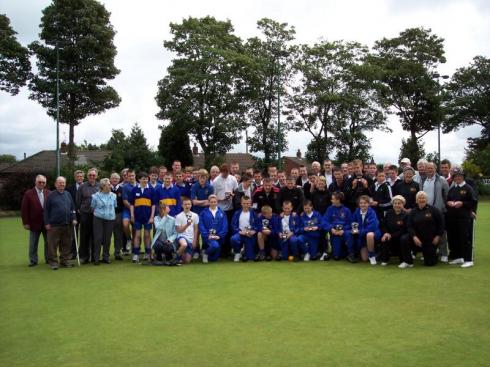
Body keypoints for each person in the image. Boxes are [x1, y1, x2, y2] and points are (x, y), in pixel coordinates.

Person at [400, 191, 445, 268]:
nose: (421, 200)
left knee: (430, 263)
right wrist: (414, 237)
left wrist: (437, 236)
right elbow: (409, 226)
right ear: (416, 200)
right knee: (404, 239)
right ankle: (408, 262)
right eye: (419, 198)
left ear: (426, 199)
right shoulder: (413, 212)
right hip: (417, 240)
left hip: (430, 240)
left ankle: (434, 253)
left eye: (423, 198)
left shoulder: (434, 210)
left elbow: (441, 224)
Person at [446, 168, 478, 268]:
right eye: (456, 176)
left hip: (464, 217)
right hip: (453, 217)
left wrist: (462, 203)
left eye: (460, 176)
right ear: (454, 178)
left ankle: (468, 259)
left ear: (463, 177)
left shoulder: (468, 188)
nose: (458, 178)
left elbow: (473, 202)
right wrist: (449, 203)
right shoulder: (452, 188)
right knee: (455, 237)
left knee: (465, 238)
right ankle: (458, 257)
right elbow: (448, 200)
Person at [44, 176, 77, 270]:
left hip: (67, 224)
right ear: (55, 184)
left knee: (66, 244)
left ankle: (64, 261)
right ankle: (53, 263)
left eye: (63, 183)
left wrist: (74, 218)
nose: (62, 184)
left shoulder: (68, 194)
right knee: (52, 244)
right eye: (60, 183)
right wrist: (47, 223)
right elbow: (46, 210)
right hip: (54, 225)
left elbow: (72, 208)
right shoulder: (50, 195)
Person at [421, 162, 449, 262]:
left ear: (435, 169)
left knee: (441, 232)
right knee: (427, 232)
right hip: (426, 210)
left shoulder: (441, 180)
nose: (430, 170)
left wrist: (443, 206)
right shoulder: (423, 180)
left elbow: (447, 195)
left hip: (438, 211)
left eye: (431, 168)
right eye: (428, 168)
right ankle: (429, 252)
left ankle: (444, 253)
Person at [21, 174, 50, 267]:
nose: (41, 183)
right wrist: (26, 222)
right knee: (33, 243)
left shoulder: (48, 192)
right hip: (34, 223)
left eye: (43, 182)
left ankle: (48, 259)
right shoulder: (28, 193)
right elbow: (24, 209)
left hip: (46, 223)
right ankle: (33, 261)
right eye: (39, 182)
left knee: (48, 243)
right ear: (35, 182)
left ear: (45, 183)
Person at [130, 172, 157, 263]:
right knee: (137, 235)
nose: (145, 180)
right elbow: (132, 205)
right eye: (143, 178)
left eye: (146, 179)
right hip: (137, 217)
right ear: (139, 180)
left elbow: (153, 205)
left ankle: (148, 253)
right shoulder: (134, 190)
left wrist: (152, 217)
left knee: (147, 235)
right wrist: (132, 215)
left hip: (147, 217)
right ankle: (136, 254)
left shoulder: (151, 190)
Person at [212, 164, 238, 256]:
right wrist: (221, 199)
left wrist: (232, 195)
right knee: (222, 230)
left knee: (230, 230)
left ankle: (229, 249)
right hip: (220, 209)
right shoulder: (215, 181)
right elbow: (213, 196)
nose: (225, 175)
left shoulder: (233, 179)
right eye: (224, 173)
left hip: (231, 208)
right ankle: (221, 250)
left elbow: (237, 192)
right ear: (221, 172)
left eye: (227, 173)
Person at [90, 178, 117, 265]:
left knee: (107, 238)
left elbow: (114, 206)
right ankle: (96, 258)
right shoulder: (95, 196)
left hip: (110, 219)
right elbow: (92, 207)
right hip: (98, 218)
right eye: (108, 185)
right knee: (98, 238)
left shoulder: (113, 195)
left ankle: (106, 257)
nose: (110, 186)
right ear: (103, 186)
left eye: (110, 184)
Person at [76, 168, 99, 263]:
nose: (92, 177)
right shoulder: (82, 186)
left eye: (93, 175)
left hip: (97, 215)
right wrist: (80, 210)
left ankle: (94, 256)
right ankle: (84, 257)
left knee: (95, 236)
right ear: (87, 176)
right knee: (84, 236)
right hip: (85, 214)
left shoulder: (99, 186)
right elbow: (78, 200)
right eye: (90, 175)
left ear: (96, 176)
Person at [321, 192, 353, 261]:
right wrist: (331, 228)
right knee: (336, 257)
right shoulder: (329, 209)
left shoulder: (346, 210)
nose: (331, 200)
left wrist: (343, 230)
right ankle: (336, 253)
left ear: (338, 200)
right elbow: (324, 221)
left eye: (333, 199)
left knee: (348, 234)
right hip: (334, 232)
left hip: (344, 231)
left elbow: (350, 223)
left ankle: (351, 254)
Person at [352, 195, 382, 265]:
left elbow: (372, 227)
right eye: (361, 203)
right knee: (364, 259)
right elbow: (353, 222)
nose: (363, 204)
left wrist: (359, 232)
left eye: (365, 203)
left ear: (368, 204)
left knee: (369, 234)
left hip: (373, 234)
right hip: (362, 236)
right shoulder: (357, 211)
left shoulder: (372, 212)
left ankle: (372, 255)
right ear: (359, 204)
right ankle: (371, 251)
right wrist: (354, 229)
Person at [379, 195, 408, 266]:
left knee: (403, 239)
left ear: (403, 204)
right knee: (385, 238)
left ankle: (404, 260)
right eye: (395, 203)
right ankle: (385, 259)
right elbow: (384, 225)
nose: (397, 205)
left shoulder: (406, 215)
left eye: (399, 203)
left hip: (401, 236)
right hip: (389, 235)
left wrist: (391, 235)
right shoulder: (389, 213)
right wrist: (386, 233)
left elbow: (404, 230)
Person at [198, 195, 228, 263]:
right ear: (208, 202)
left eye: (215, 202)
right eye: (211, 202)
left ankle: (207, 252)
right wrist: (207, 235)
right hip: (208, 237)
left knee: (214, 259)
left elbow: (225, 226)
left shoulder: (222, 213)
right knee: (215, 246)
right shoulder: (203, 213)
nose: (213, 203)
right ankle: (205, 254)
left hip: (219, 237)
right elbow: (201, 226)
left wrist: (219, 236)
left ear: (217, 202)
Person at [231, 195, 258, 262]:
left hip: (249, 234)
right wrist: (240, 232)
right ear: (241, 203)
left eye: (247, 203)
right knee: (233, 239)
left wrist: (254, 231)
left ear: (250, 204)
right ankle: (237, 252)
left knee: (250, 258)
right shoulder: (237, 213)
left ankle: (244, 252)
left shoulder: (254, 213)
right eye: (244, 203)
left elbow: (257, 225)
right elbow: (233, 225)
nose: (246, 205)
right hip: (240, 233)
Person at [175, 197, 199, 264]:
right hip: (182, 236)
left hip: (191, 239)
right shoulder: (178, 216)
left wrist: (194, 241)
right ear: (182, 205)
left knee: (187, 261)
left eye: (189, 204)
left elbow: (196, 229)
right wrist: (187, 225)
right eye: (185, 204)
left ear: (191, 205)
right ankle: (175, 258)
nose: (187, 206)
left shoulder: (195, 215)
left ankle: (180, 254)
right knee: (184, 245)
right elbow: (178, 230)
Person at [67, 170, 84, 258]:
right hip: (74, 214)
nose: (79, 178)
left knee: (84, 234)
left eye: (81, 176)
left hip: (84, 214)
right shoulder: (70, 188)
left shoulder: (86, 186)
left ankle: (82, 252)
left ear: (83, 177)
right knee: (73, 234)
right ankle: (73, 252)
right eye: (78, 176)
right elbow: (69, 201)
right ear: (75, 178)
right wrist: (75, 210)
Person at [121, 169, 136, 254]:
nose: (131, 177)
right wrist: (131, 208)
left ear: (135, 175)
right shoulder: (125, 187)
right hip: (127, 210)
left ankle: (135, 248)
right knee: (125, 224)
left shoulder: (138, 185)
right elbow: (125, 201)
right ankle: (129, 240)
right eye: (129, 176)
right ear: (127, 176)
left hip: (137, 211)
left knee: (135, 229)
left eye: (132, 175)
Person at [110, 172, 125, 260]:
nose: (115, 180)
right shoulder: (107, 188)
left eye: (117, 178)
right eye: (113, 178)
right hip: (108, 215)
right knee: (107, 235)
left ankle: (117, 252)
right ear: (110, 179)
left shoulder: (122, 189)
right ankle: (106, 253)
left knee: (118, 234)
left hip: (118, 214)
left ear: (119, 180)